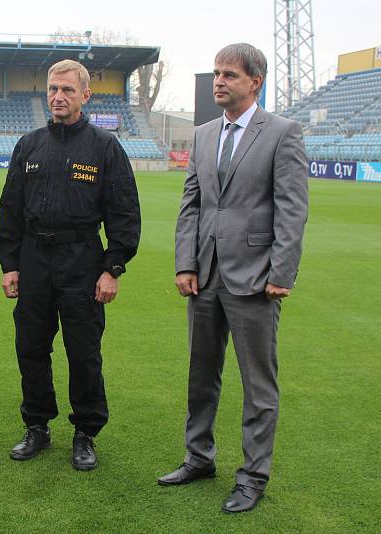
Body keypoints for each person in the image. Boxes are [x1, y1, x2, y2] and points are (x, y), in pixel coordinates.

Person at [158, 43, 308, 513]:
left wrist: (281, 272)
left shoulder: (283, 133)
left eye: (229, 75)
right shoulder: (203, 135)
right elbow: (192, 205)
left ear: (254, 81)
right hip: (205, 276)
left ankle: (253, 476)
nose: (219, 81)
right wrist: (186, 263)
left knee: (258, 385)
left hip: (257, 279)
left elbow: (291, 209)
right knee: (200, 377)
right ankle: (198, 457)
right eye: (217, 74)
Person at [0, 59, 140, 470]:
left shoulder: (104, 147)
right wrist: (10, 263)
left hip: (82, 260)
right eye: (53, 90)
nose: (59, 97)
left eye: (68, 91)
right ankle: (37, 426)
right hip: (34, 258)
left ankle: (85, 432)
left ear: (85, 95)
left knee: (83, 352)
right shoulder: (29, 145)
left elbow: (124, 213)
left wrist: (113, 267)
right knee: (31, 347)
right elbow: (10, 210)